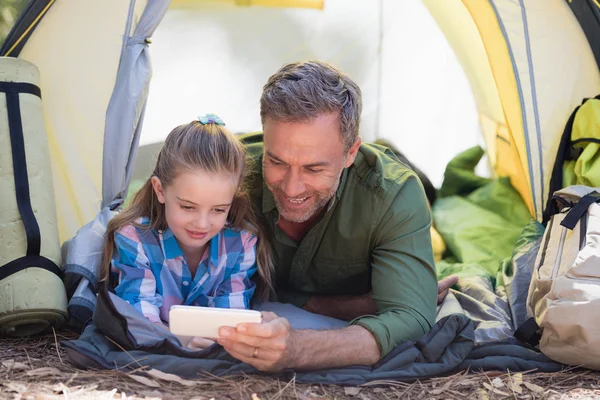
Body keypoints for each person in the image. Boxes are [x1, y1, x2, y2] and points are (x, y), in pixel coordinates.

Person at [216, 61, 456, 371]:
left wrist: (298, 349)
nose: (291, 187)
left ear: (351, 152)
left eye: (314, 168)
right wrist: (352, 307)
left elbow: (411, 319)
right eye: (276, 162)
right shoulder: (228, 172)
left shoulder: (393, 195)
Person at [100, 115, 273, 349]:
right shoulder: (134, 239)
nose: (202, 224)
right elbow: (140, 318)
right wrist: (182, 341)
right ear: (160, 190)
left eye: (219, 209)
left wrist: (220, 339)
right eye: (188, 207)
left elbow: (231, 314)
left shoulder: (241, 244)